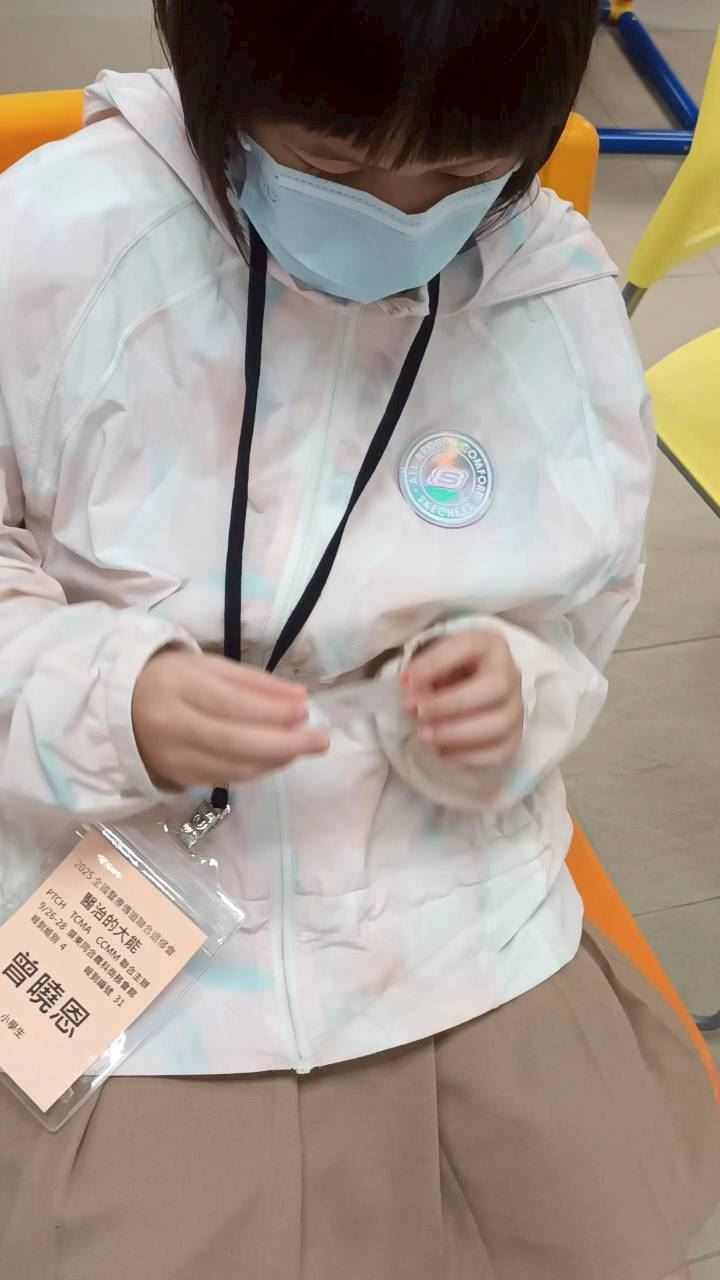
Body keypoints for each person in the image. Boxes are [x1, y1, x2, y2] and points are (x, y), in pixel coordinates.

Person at [0, 0, 718, 1276]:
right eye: (329, 164)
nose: (396, 217)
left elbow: (584, 617)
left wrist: (518, 687)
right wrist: (112, 697)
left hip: (456, 914)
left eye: (455, 177)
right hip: (124, 893)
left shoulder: (552, 292)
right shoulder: (60, 241)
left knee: (616, 1225)